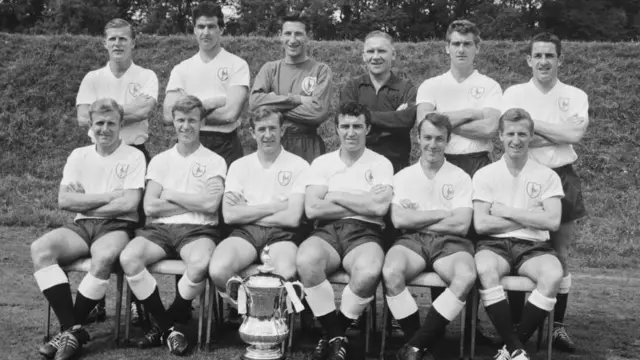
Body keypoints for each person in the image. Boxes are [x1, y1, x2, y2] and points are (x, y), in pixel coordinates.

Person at [31, 98, 145, 360]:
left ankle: (67, 333)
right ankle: (72, 330)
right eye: (99, 123)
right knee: (40, 250)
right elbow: (65, 201)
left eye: (111, 123)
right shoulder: (78, 155)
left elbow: (130, 204)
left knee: (103, 257)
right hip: (81, 225)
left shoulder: (134, 156)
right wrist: (108, 197)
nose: (104, 129)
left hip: (118, 226)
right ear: (91, 126)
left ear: (121, 125)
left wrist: (86, 201)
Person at [415, 19, 502, 342]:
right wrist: (472, 112)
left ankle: (472, 323)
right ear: (446, 47)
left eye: (467, 43)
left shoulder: (490, 86)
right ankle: (438, 324)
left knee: (476, 241)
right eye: (455, 43)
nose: (461, 49)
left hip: (478, 164)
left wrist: (445, 121)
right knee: (442, 238)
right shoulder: (432, 85)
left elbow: (491, 129)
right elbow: (423, 124)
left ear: (477, 47)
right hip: (439, 163)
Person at [501, 32, 589, 353]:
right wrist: (557, 132)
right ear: (528, 59)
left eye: (549, 56)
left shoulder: (575, 95)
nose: (543, 61)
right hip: (523, 178)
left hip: (563, 178)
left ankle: (557, 327)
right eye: (537, 55)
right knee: (518, 251)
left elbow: (575, 134)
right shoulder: (514, 93)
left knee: (560, 255)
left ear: (560, 60)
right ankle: (513, 323)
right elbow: (514, 138)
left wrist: (532, 126)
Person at [119, 96, 226, 355]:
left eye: (192, 120)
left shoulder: (215, 160)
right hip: (159, 230)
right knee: (129, 258)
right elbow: (150, 207)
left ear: (202, 122)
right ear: (174, 123)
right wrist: (195, 201)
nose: (186, 126)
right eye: (180, 120)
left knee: (200, 262)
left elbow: (211, 206)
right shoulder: (160, 161)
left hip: (198, 230)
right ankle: (168, 327)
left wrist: (171, 194)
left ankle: (162, 322)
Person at [296, 102, 394, 360]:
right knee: (306, 260)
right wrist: (362, 202)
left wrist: (336, 194)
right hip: (327, 231)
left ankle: (330, 335)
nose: (351, 132)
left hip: (366, 233)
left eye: (357, 126)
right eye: (345, 126)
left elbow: (380, 208)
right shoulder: (321, 163)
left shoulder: (381, 164)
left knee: (369, 270)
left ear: (368, 128)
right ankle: (336, 335)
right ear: (336, 129)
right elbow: (313, 209)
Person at [76, 18, 158, 323]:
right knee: (94, 215)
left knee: (134, 227)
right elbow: (83, 116)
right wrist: (121, 111)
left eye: (124, 38)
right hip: (99, 156)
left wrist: (106, 112)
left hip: (134, 153)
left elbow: (145, 110)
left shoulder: (146, 75)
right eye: (112, 39)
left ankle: (138, 301)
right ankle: (95, 298)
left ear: (133, 42)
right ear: (104, 43)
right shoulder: (92, 77)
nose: (118, 44)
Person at [383, 113, 476, 360]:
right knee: (391, 272)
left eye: (439, 139)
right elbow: (399, 220)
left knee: (466, 276)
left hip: (450, 243)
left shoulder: (460, 177)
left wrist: (419, 218)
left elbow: (462, 224)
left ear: (448, 141)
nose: (432, 145)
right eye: (427, 138)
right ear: (418, 138)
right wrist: (440, 213)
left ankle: (415, 345)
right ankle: (422, 345)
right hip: (412, 242)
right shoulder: (403, 176)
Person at [473, 108, 564, 360]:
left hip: (534, 247)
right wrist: (529, 217)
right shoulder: (485, 174)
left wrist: (505, 211)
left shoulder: (547, 175)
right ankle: (516, 349)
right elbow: (481, 224)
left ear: (531, 136)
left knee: (553, 274)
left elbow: (553, 221)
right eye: (510, 133)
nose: (516, 140)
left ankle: (510, 347)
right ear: (500, 136)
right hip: (494, 245)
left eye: (522, 134)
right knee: (484, 269)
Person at [209, 107, 310, 301]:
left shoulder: (299, 165)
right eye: (262, 129)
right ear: (252, 133)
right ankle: (252, 316)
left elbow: (292, 218)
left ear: (282, 131)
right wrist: (276, 206)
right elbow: (230, 215)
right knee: (218, 269)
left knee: (285, 273)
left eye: (273, 128)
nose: (268, 135)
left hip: (282, 235)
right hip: (246, 234)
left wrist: (246, 209)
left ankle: (268, 321)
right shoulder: (239, 166)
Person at [164, 1, 249, 167]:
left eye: (211, 26)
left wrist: (188, 110)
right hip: (189, 141)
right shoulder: (182, 69)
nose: (206, 32)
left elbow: (230, 114)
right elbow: (168, 115)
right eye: (201, 27)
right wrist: (216, 102)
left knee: (225, 192)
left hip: (225, 144)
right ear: (194, 30)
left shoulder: (237, 65)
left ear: (221, 29)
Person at [249, 14, 333, 163]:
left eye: (298, 34)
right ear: (280, 36)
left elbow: (318, 112)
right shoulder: (270, 69)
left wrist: (273, 106)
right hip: (273, 142)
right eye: (288, 33)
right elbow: (255, 102)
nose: (292, 40)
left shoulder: (320, 70)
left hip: (307, 144)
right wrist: (297, 99)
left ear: (308, 36)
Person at [340, 30, 417, 174]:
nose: (375, 57)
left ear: (393, 54)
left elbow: (406, 121)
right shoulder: (352, 87)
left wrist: (363, 117)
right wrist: (393, 118)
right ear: (364, 56)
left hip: (396, 166)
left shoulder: (406, 88)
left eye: (381, 51)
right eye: (370, 51)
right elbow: (348, 122)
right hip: (358, 166)